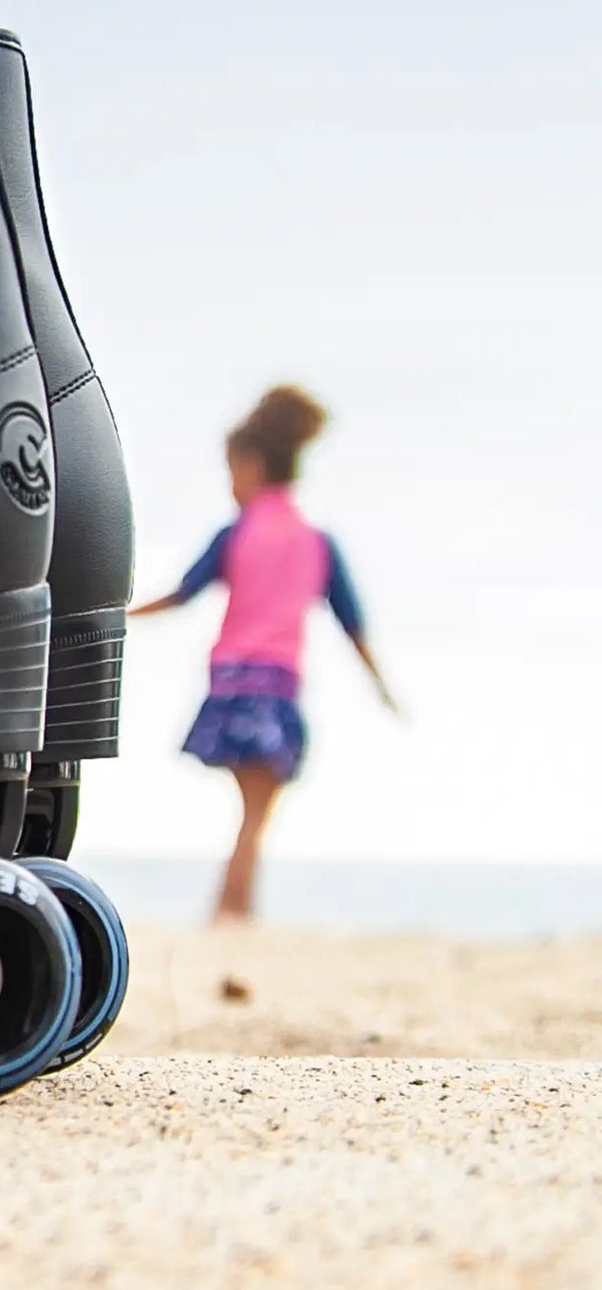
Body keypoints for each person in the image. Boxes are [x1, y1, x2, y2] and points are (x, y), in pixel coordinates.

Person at [130, 385, 396, 922]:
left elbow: (181, 594)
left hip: (231, 683)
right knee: (255, 813)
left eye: (231, 470)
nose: (230, 483)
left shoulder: (238, 532)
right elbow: (354, 624)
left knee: (250, 811)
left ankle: (233, 908)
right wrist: (382, 688)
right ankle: (234, 911)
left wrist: (116, 614)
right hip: (274, 686)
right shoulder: (315, 541)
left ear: (251, 464)